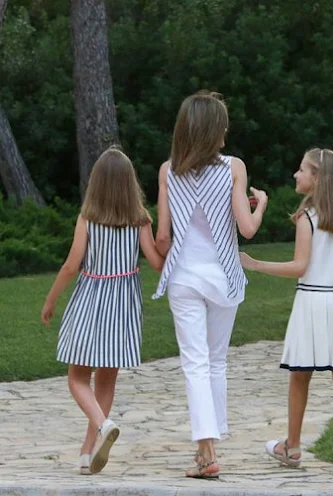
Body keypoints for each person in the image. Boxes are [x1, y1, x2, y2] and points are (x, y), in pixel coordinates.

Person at [240, 148, 333, 477]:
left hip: (313, 299)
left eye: (302, 170)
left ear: (316, 179)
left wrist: (255, 264)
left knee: (299, 375)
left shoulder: (308, 219)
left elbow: (300, 266)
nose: (296, 175)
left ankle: (291, 446)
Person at [153, 91, 268, 479]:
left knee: (195, 363)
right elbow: (247, 230)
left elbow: (163, 238)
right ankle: (211, 442)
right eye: (222, 123)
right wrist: (262, 204)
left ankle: (206, 450)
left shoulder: (169, 170)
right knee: (216, 361)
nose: (226, 129)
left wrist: (161, 262)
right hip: (224, 276)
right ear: (213, 128)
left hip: (184, 276)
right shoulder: (235, 167)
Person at [41, 146, 164, 475]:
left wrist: (51, 299)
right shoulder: (141, 220)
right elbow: (154, 261)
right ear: (130, 183)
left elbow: (71, 265)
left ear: (96, 182)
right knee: (106, 379)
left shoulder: (88, 218)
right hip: (123, 305)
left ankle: (100, 426)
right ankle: (88, 451)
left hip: (90, 298)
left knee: (77, 376)